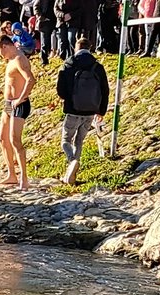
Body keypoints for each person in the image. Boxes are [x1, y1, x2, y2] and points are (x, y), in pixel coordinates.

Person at [56, 37, 109, 186]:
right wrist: (101, 110)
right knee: (79, 140)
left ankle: (72, 162)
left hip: (73, 110)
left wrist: (67, 99)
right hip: (91, 111)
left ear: (76, 47)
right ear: (90, 48)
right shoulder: (97, 66)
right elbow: (105, 90)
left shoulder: (69, 63)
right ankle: (73, 172)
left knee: (66, 141)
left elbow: (60, 88)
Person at [0, 35, 35, 191]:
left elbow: (30, 79)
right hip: (8, 104)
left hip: (19, 104)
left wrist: (21, 98)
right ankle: (11, 174)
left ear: (5, 46)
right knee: (3, 138)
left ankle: (24, 178)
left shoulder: (19, 59)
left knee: (14, 140)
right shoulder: (10, 60)